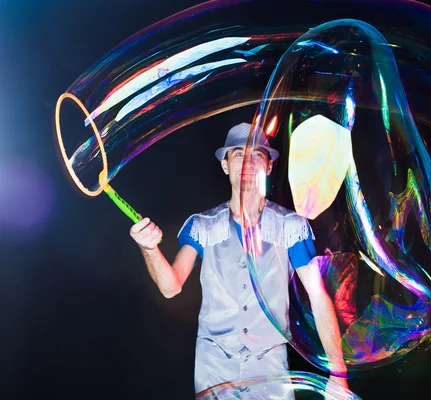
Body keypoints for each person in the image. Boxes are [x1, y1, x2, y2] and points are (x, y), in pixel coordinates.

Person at [130, 122, 349, 396]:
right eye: (237, 154)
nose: (246, 162)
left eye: (257, 154)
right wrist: (149, 249)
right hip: (214, 368)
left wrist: (338, 374)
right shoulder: (202, 226)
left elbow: (318, 296)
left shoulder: (290, 226)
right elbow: (171, 286)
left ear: (269, 166)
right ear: (225, 165)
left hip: (271, 367)